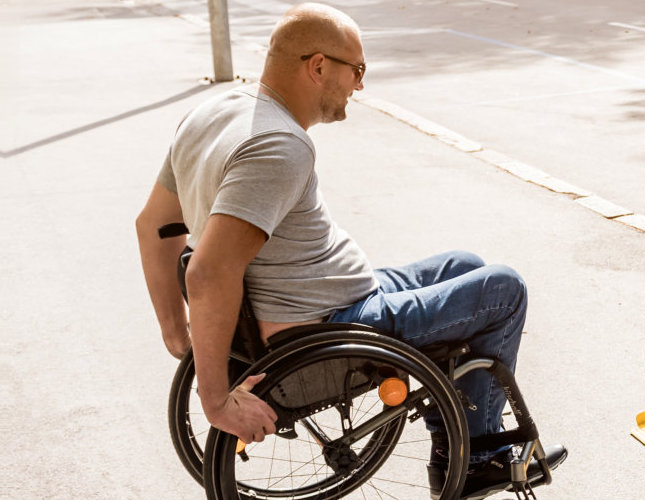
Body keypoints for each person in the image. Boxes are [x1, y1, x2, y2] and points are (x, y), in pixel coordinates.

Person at [132, 4, 560, 497]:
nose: (359, 85)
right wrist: (215, 401)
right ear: (317, 66)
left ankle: (464, 435)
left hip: (323, 300)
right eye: (356, 70)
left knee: (463, 265)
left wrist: (175, 332)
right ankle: (475, 460)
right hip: (329, 324)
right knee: (504, 289)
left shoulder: (215, 111)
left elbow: (153, 226)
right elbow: (207, 273)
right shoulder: (278, 145)